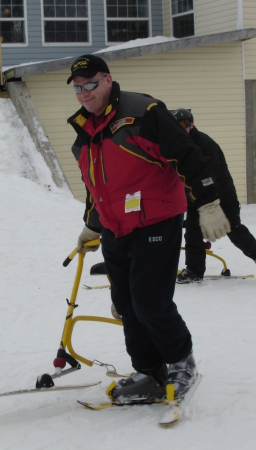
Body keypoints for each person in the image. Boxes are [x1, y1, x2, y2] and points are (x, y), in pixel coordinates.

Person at [66, 54, 230, 402]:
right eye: (78, 88)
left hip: (156, 218)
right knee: (126, 304)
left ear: (108, 80)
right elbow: (97, 185)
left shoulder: (142, 112)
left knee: (149, 302)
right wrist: (92, 227)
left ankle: (181, 362)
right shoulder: (85, 132)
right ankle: (149, 371)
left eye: (91, 84)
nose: (84, 93)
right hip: (115, 228)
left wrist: (209, 203)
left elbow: (186, 154)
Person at [172, 108, 256, 283]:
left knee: (234, 230)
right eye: (176, 125)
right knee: (193, 231)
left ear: (191, 125)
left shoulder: (205, 145)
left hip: (222, 196)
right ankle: (194, 271)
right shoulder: (177, 146)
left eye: (183, 124)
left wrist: (205, 204)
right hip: (198, 198)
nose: (180, 128)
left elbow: (210, 175)